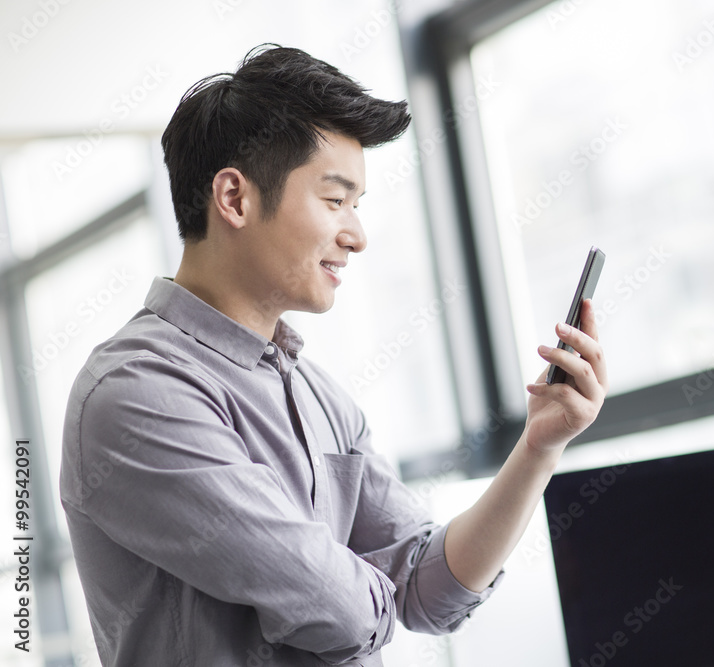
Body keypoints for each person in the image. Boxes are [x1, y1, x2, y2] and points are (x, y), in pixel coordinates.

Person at [60, 44, 607, 666]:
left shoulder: (316, 394)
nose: (357, 234)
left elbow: (428, 593)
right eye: (335, 199)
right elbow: (349, 615)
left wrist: (539, 446)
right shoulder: (136, 393)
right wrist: (371, 582)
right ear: (235, 199)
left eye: (358, 204)